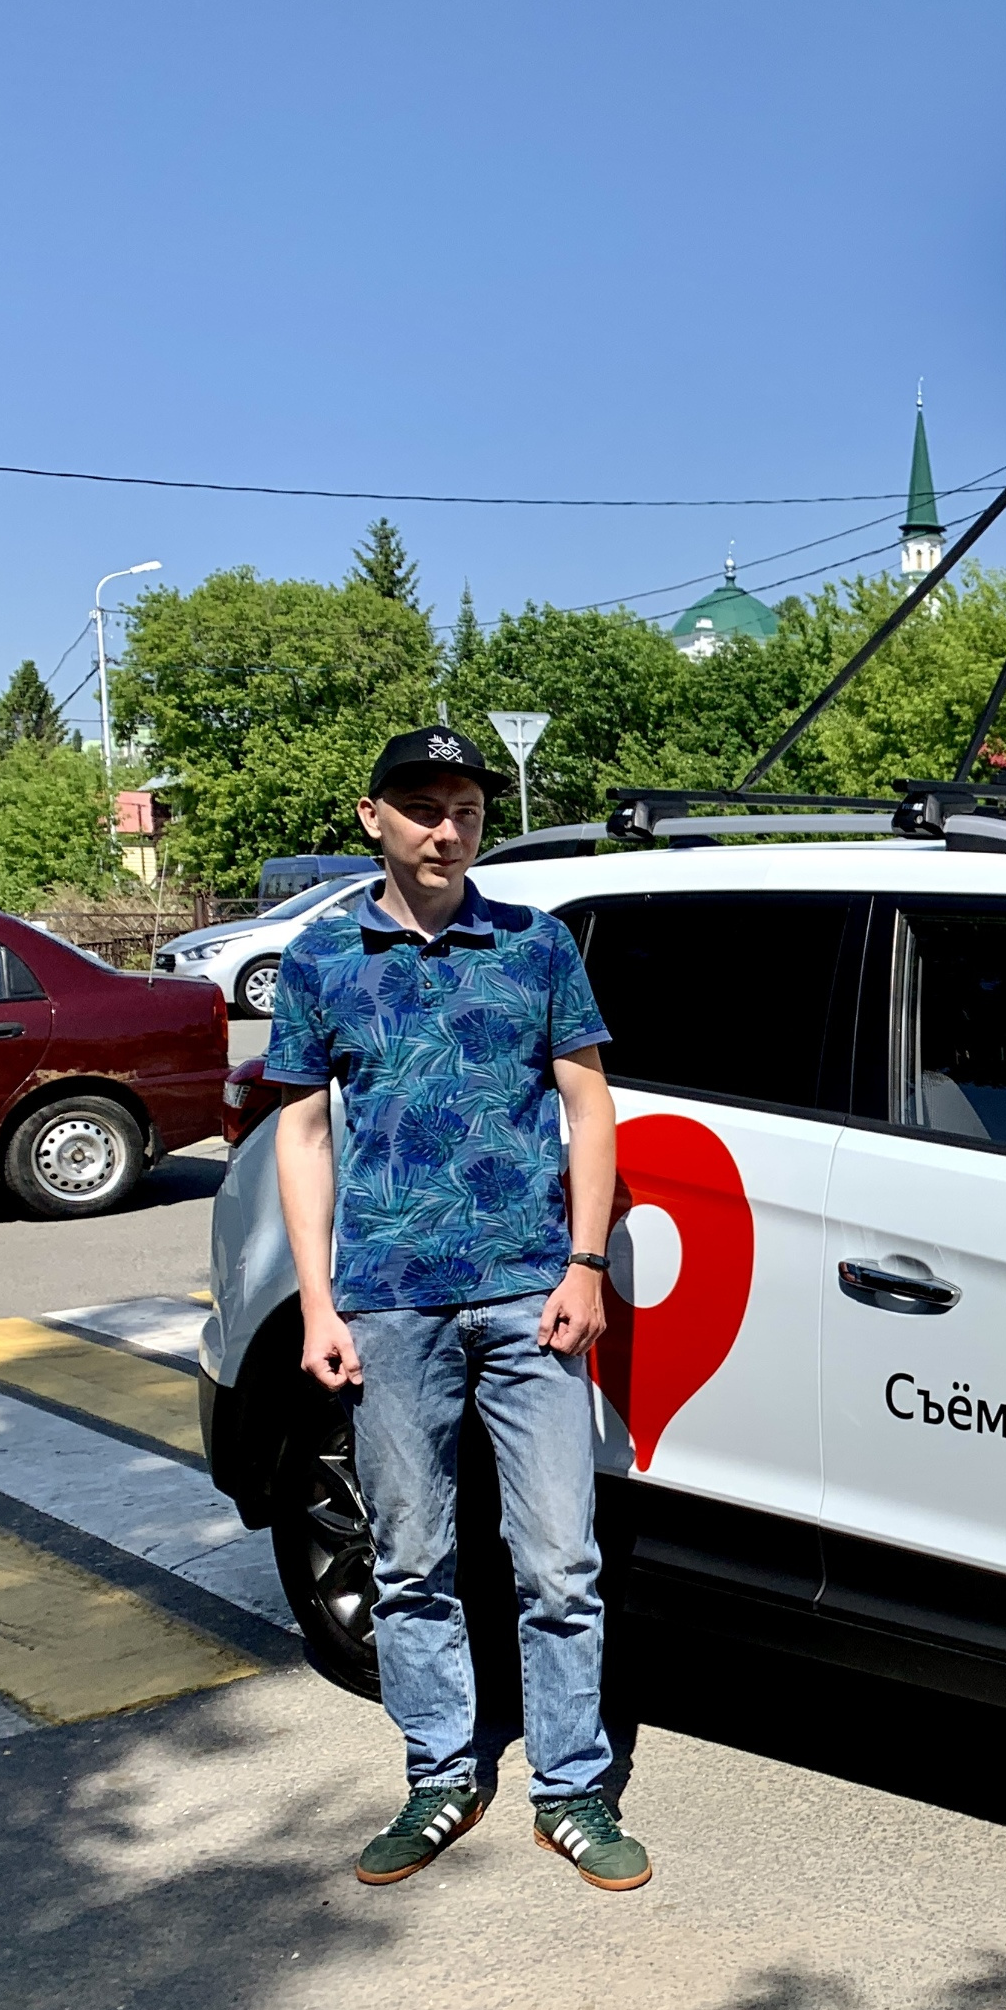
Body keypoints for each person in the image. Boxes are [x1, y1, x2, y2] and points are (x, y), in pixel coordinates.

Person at [264, 725, 649, 1892]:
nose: (447, 828)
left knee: (560, 1565)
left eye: (467, 809)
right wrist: (317, 1306)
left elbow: (591, 1107)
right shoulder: (322, 959)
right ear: (373, 817)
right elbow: (302, 1130)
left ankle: (572, 1790)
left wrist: (586, 1265)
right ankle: (439, 1775)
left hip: (531, 1295)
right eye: (422, 806)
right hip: (388, 1303)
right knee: (412, 1559)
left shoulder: (534, 947)